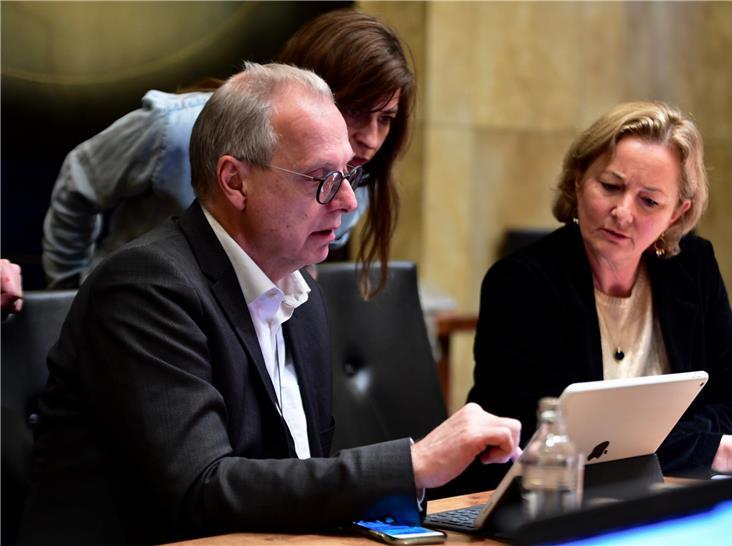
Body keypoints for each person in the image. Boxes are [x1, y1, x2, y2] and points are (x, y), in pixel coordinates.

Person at [18, 63, 520, 546]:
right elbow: (202, 490)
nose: (347, 202)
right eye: (322, 178)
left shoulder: (302, 294)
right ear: (235, 181)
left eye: (349, 174)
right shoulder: (147, 287)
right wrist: (410, 464)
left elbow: (295, 477)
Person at [466, 101, 732, 484]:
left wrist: (674, 442)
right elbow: (551, 440)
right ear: (577, 179)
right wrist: (712, 447)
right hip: (542, 507)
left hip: (669, 496)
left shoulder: (694, 267)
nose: (622, 212)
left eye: (649, 201)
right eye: (610, 186)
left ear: (677, 213)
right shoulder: (521, 282)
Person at [42, 9, 413, 297]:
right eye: (353, 111)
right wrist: (66, 294)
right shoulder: (175, 130)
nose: (369, 139)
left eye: (386, 119)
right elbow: (80, 182)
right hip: (129, 318)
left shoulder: (357, 179)